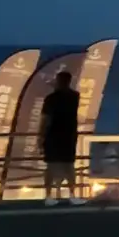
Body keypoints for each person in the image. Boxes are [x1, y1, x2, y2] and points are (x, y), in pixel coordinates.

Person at [39, 72, 80, 204]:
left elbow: (45, 119)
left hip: (53, 135)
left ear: (58, 81)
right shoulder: (75, 96)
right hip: (69, 135)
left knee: (51, 166)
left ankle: (49, 196)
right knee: (69, 166)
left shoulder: (51, 98)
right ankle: (72, 195)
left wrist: (40, 137)